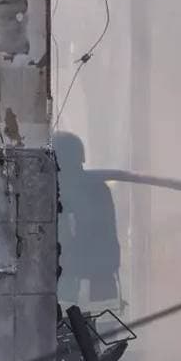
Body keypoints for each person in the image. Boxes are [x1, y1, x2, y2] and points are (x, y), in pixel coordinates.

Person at [55, 132, 122, 313]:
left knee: (79, 333)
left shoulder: (62, 191)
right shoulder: (98, 188)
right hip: (93, 280)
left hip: (83, 281)